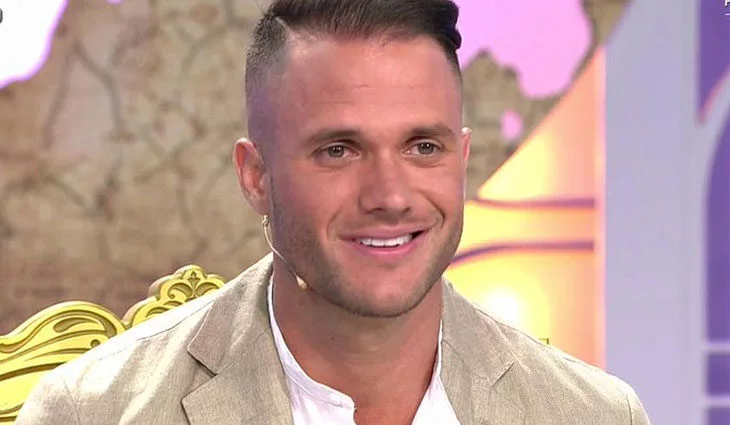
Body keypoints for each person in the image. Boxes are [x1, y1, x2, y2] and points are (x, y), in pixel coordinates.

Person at [16, 0, 652, 424]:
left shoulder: (593, 415)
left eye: (422, 147)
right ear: (256, 176)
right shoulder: (93, 413)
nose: (390, 195)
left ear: (461, 160)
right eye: (339, 150)